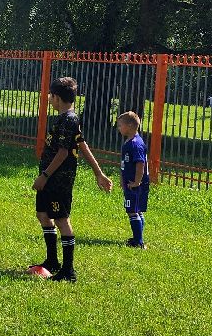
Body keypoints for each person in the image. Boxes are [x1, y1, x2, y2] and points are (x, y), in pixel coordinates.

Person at [29, 76, 113, 282]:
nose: (49, 98)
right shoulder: (67, 119)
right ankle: (52, 261)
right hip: (49, 179)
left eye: (51, 96)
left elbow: (63, 153)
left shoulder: (68, 119)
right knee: (42, 214)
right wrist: (99, 173)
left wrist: (44, 176)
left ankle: (68, 271)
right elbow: (82, 145)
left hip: (59, 180)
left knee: (61, 220)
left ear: (56, 98)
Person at [117, 111, 149, 248]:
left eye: (120, 125)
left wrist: (136, 181)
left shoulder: (135, 144)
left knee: (132, 210)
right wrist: (122, 177)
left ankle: (138, 241)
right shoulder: (130, 141)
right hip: (130, 182)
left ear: (130, 125)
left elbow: (140, 163)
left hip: (134, 184)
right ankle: (138, 238)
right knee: (137, 209)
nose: (118, 128)